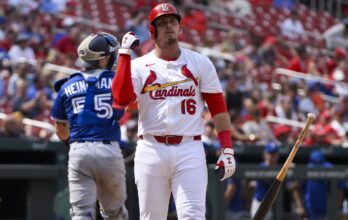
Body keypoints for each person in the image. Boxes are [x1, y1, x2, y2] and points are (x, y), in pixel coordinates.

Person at [111, 3, 236, 219]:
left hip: (190, 147)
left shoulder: (200, 62)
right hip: (151, 147)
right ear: (153, 30)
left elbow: (217, 107)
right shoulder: (139, 65)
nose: (169, 26)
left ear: (179, 27)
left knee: (193, 216)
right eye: (162, 23)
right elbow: (121, 100)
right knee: (151, 217)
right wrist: (124, 56)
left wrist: (227, 147)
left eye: (172, 21)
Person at [51, 33, 128, 220]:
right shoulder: (115, 80)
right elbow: (126, 107)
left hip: (78, 151)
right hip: (108, 149)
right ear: (102, 59)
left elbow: (60, 128)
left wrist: (75, 145)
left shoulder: (66, 85)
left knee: (81, 214)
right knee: (115, 214)